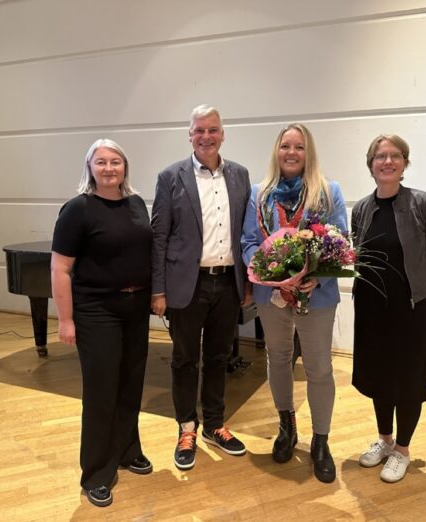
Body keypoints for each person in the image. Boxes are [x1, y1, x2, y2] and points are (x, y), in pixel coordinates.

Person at [241, 123, 347, 483]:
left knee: (318, 368)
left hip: (316, 296)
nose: (291, 152)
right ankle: (287, 427)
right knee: (279, 358)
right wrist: (265, 267)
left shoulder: (328, 191)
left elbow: (340, 242)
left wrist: (320, 274)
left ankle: (321, 441)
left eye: (298, 147)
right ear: (276, 150)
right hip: (271, 295)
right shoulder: (260, 194)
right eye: (285, 146)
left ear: (308, 152)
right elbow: (247, 243)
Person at [51, 139, 153, 507]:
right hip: (97, 309)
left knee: (131, 382)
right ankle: (96, 471)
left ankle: (127, 451)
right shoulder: (78, 209)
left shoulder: (137, 204)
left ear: (125, 166)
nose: (109, 168)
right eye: (101, 162)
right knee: (101, 391)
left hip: (136, 306)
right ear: (89, 168)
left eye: (116, 162)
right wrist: (65, 319)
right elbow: (60, 269)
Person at [151, 104, 252, 471]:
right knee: (184, 359)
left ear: (223, 134)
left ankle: (214, 424)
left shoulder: (240, 175)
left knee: (218, 357)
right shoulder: (170, 177)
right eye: (199, 130)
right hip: (186, 285)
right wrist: (158, 290)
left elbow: (246, 233)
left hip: (227, 282)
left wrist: (249, 284)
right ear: (189, 135)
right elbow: (159, 237)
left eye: (213, 129)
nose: (206, 136)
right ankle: (186, 427)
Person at [351, 134, 426, 483]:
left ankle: (403, 450)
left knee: (407, 378)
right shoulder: (362, 208)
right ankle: (384, 440)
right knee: (379, 374)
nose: (387, 161)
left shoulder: (423, 204)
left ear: (405, 163)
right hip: (371, 308)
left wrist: (420, 283)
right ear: (371, 164)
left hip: (410, 308)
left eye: (395, 156)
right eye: (380, 156)